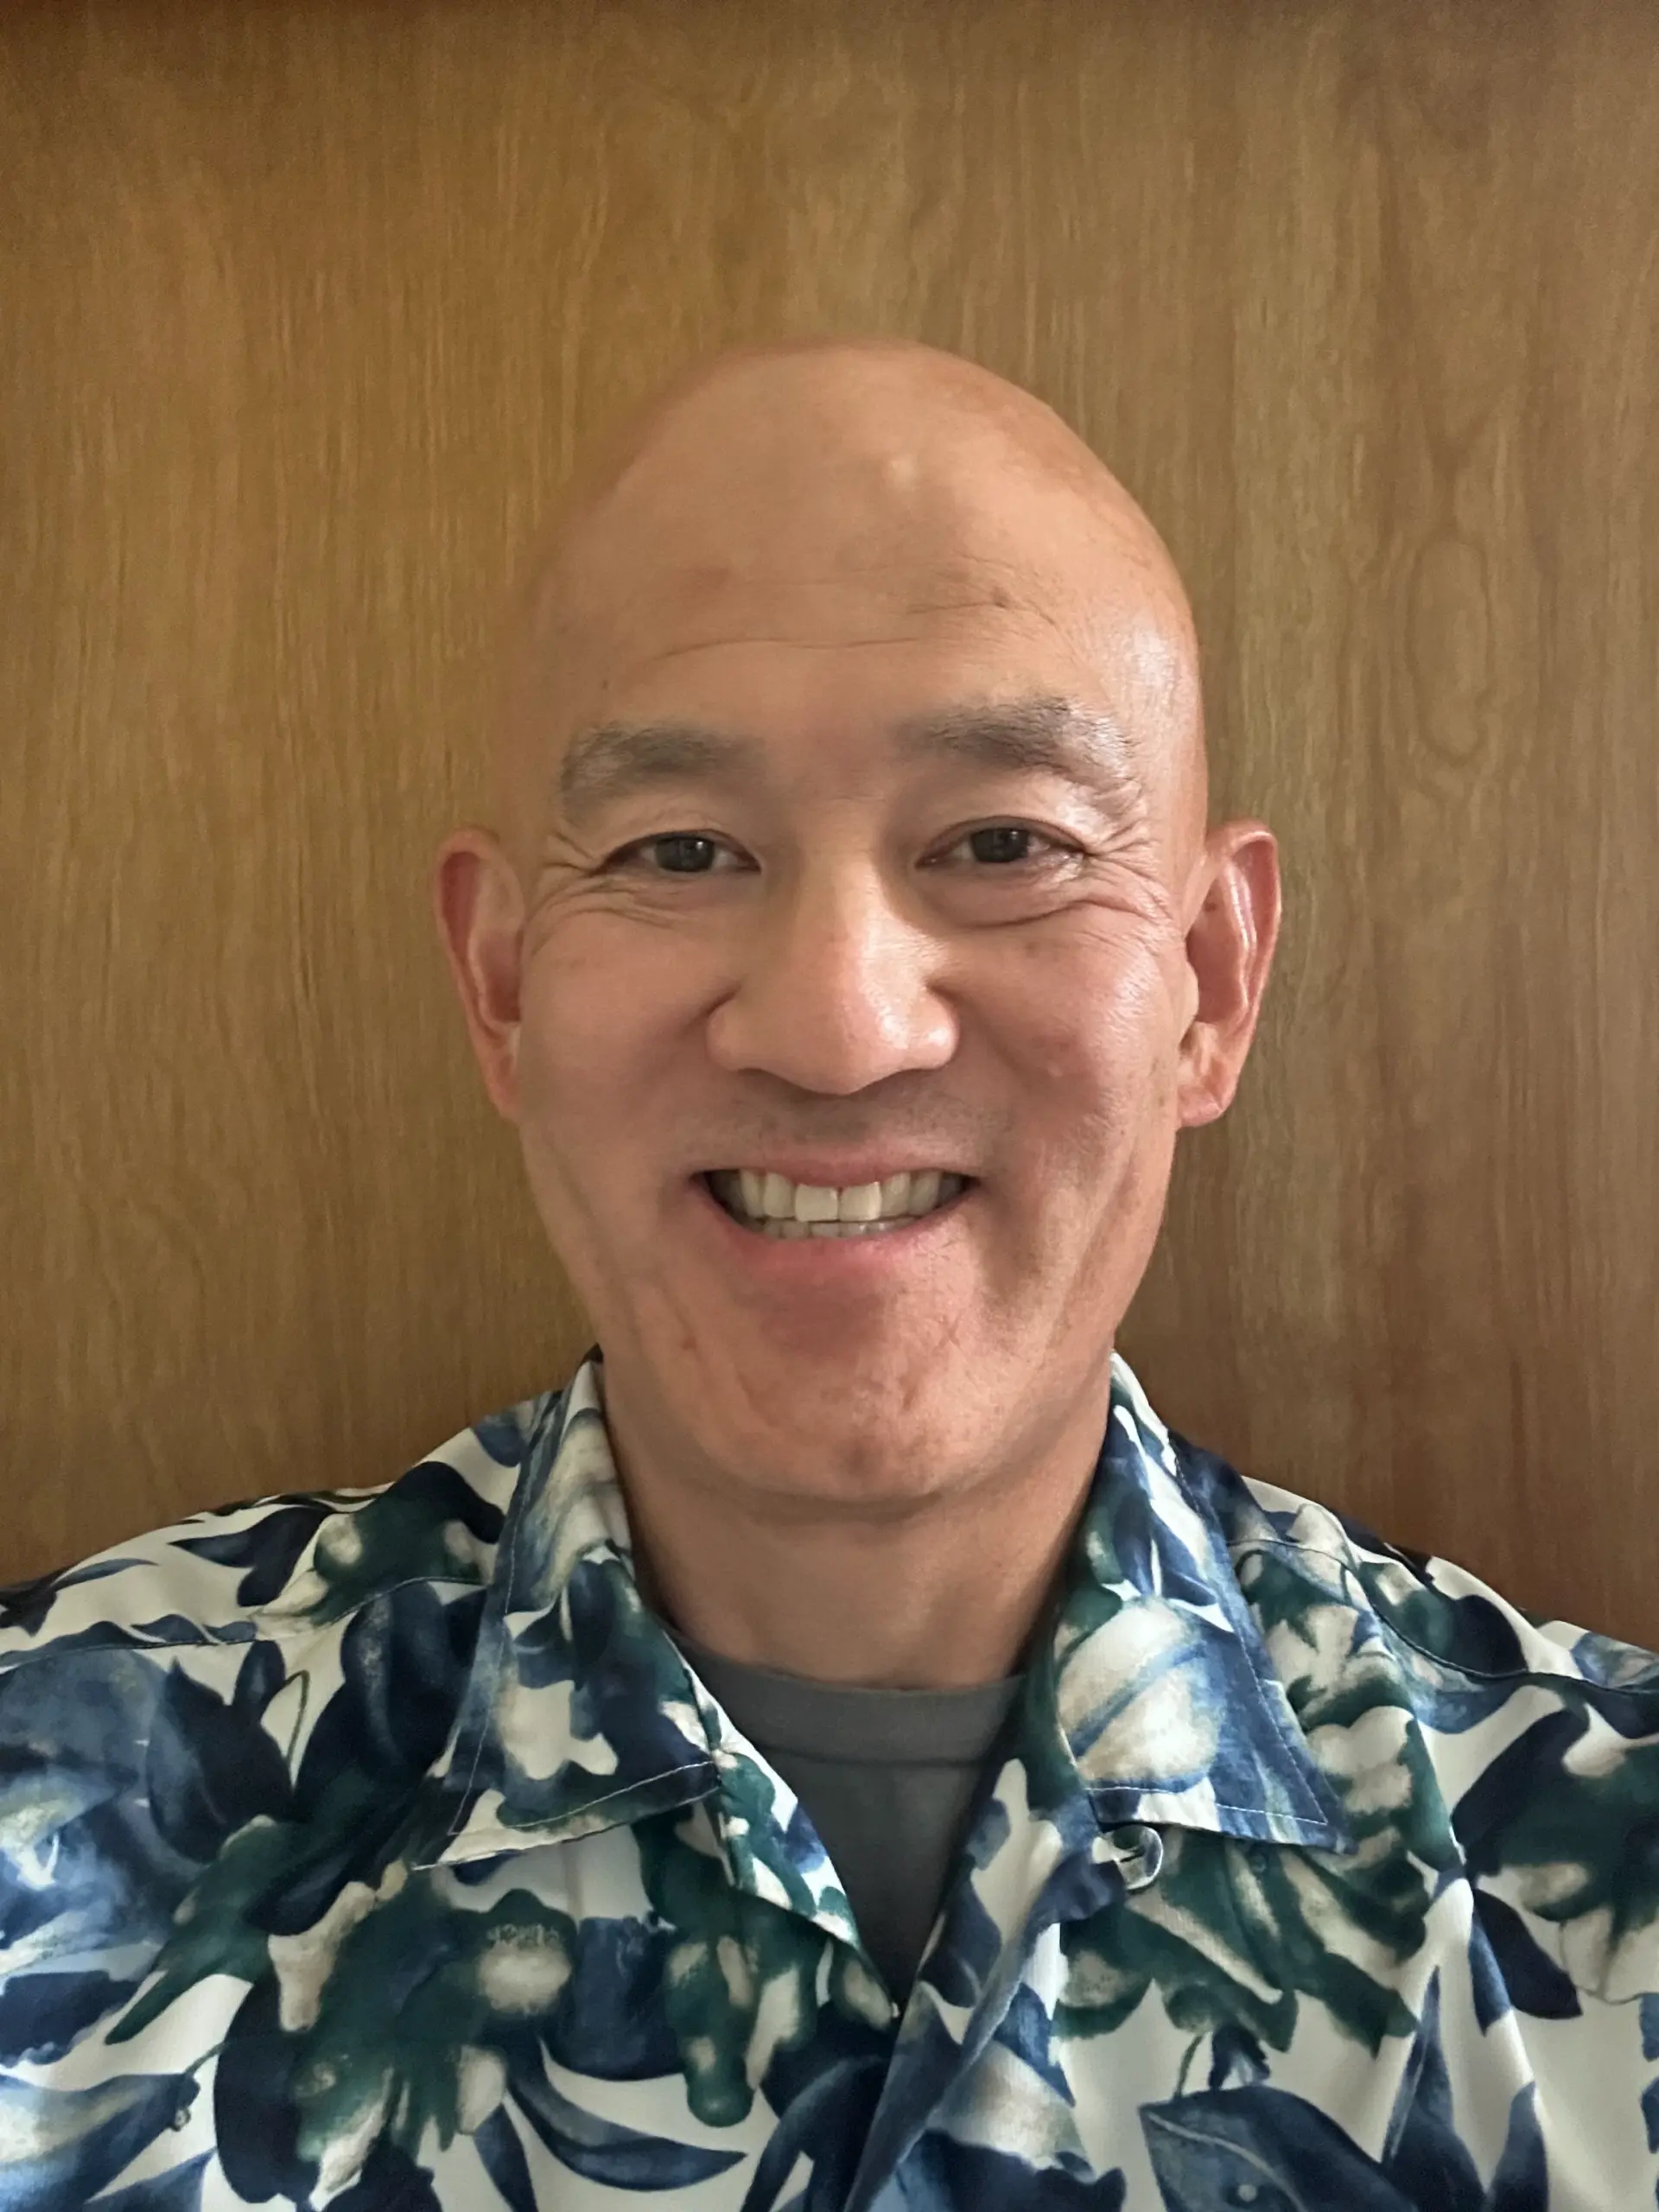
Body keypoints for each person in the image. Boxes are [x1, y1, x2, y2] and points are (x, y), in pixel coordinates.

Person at [2, 339, 1655, 2212]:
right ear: (504, 986)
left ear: (1210, 978)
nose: (839, 1028)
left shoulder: (1607, 1891)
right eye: (683, 848)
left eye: (1006, 841)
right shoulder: (45, 1827)